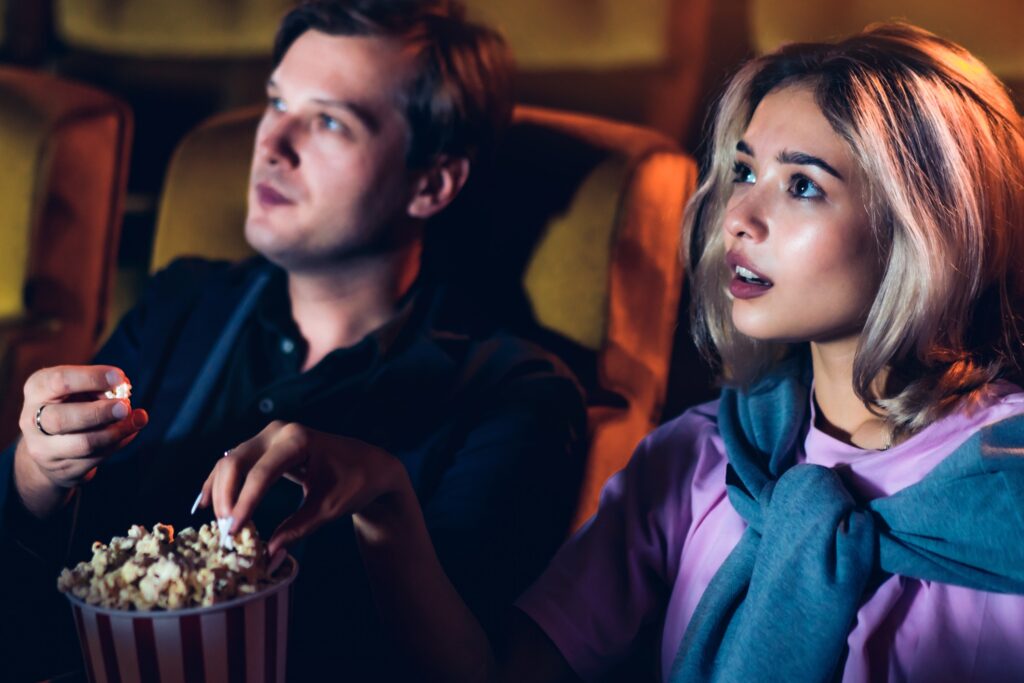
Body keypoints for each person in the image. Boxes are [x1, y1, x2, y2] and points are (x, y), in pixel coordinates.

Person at [202, 22, 1024, 681]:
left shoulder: (1009, 472)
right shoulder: (697, 458)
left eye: (802, 184)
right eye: (743, 171)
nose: (738, 215)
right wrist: (387, 500)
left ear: (927, 228)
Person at [0, 1, 586, 680]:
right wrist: (34, 474)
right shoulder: (180, 304)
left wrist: (387, 501)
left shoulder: (514, 394)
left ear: (431, 182)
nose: (271, 142)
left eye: (330, 121)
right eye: (276, 101)